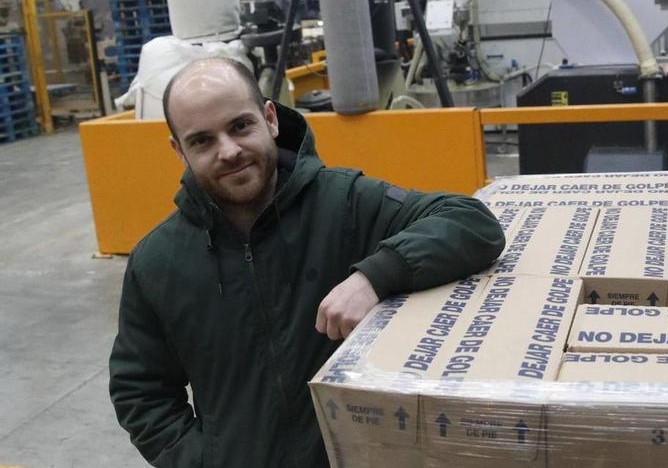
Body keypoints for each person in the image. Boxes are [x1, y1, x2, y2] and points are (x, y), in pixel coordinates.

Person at [108, 57, 505, 467]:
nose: (228, 151)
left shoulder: (343, 205)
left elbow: (471, 222)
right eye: (202, 141)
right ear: (180, 151)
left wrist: (374, 276)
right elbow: (140, 391)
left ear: (270, 119)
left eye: (240, 126)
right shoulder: (157, 262)